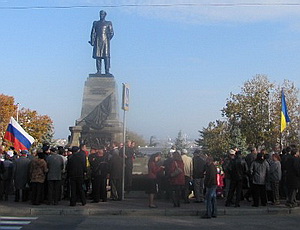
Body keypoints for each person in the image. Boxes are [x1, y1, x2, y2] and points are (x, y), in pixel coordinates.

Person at [90, 10, 114, 74]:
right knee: (98, 56)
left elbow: (112, 33)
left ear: (105, 15)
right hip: (97, 41)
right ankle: (98, 71)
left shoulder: (108, 23)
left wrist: (108, 39)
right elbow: (93, 32)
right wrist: (92, 41)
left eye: (103, 14)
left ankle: (107, 71)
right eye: (100, 14)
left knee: (106, 56)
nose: (101, 16)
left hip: (105, 41)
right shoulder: (96, 23)